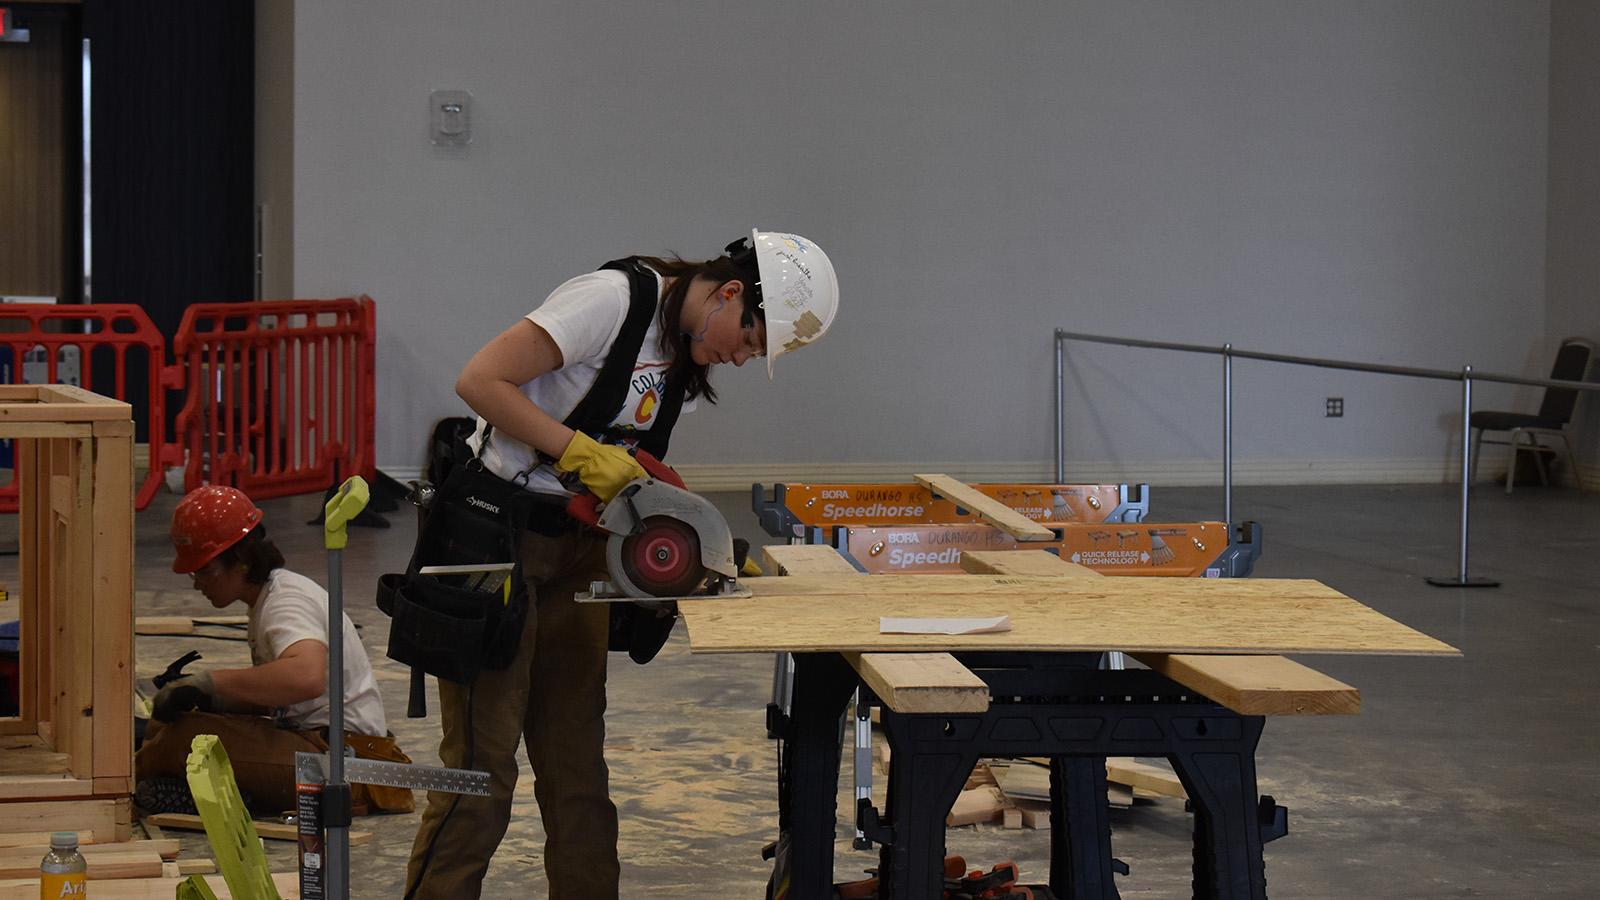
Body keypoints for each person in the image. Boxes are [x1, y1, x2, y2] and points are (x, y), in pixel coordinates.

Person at [403, 231, 839, 899]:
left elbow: (634, 472)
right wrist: (578, 451)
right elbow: (480, 380)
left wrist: (700, 540)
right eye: (750, 340)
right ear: (729, 293)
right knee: (481, 772)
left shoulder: (684, 371)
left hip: (579, 557)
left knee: (577, 770)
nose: (744, 359)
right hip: (493, 538)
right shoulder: (611, 302)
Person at [135, 485, 413, 816]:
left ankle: (120, 788)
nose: (197, 583)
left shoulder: (285, 602)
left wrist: (210, 684)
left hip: (346, 766)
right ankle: (235, 793)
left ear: (240, 561)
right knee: (166, 726)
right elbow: (280, 698)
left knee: (180, 741)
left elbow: (306, 678)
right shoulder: (265, 598)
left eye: (205, 570)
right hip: (315, 744)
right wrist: (207, 699)